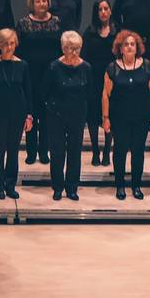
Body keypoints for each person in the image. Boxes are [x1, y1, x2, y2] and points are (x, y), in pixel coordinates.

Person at [102, 29, 150, 200]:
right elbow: (105, 94)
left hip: (141, 116)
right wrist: (105, 118)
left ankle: (136, 186)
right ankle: (120, 186)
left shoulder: (147, 65)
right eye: (125, 44)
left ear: (137, 47)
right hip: (119, 117)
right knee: (119, 151)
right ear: (120, 48)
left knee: (138, 151)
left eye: (132, 44)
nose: (129, 47)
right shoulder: (112, 68)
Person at [0, 28, 33, 200]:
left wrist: (29, 115)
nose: (9, 47)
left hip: (18, 112)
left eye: (12, 43)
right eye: (6, 44)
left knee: (13, 151)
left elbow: (28, 91)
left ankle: (10, 184)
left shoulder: (23, 65)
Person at [17, 0, 63, 165]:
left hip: (50, 74)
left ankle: (44, 151)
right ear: (32, 3)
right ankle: (31, 151)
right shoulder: (23, 23)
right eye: (38, 1)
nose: (42, 4)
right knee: (30, 112)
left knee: (46, 114)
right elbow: (18, 49)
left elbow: (61, 48)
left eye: (44, 0)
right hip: (29, 73)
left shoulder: (57, 22)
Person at [42, 31, 90, 200]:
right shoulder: (54, 67)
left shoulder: (86, 68)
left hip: (77, 115)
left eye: (77, 48)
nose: (74, 52)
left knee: (75, 151)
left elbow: (89, 93)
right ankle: (57, 187)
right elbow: (45, 92)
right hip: (56, 114)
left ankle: (72, 187)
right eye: (70, 48)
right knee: (57, 152)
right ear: (63, 48)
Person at [81, 0, 117, 166]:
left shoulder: (117, 32)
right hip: (94, 78)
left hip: (112, 77)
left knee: (110, 114)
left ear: (110, 11)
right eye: (100, 9)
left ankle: (107, 151)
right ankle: (95, 150)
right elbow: (85, 58)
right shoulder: (89, 33)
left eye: (106, 9)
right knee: (93, 116)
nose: (103, 12)